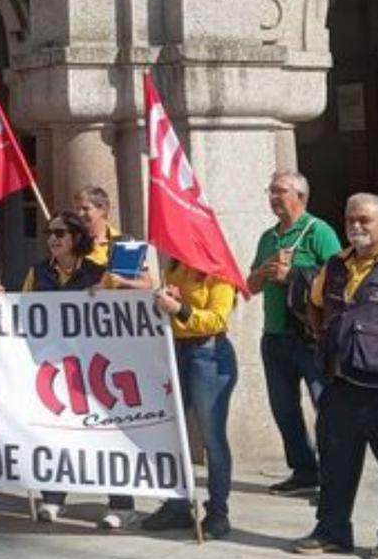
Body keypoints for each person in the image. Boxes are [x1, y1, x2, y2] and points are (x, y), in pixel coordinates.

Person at [22, 210, 136, 530]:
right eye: (49, 234)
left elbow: (135, 297)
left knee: (107, 432)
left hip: (94, 368)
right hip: (53, 367)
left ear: (76, 238)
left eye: (60, 233)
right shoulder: (37, 272)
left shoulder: (99, 273)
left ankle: (121, 503)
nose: (53, 239)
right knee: (54, 430)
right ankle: (53, 497)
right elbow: (22, 310)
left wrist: (111, 294)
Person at [291, 193, 378, 559]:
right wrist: (327, 340)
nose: (356, 227)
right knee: (335, 464)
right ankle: (331, 532)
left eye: (365, 220)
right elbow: (315, 305)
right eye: (350, 220)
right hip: (340, 384)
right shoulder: (336, 264)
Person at [248, 171, 341, 496]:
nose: (273, 197)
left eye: (279, 191)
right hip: (273, 337)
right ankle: (303, 472)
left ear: (300, 196)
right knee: (284, 409)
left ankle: (334, 477)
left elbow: (338, 283)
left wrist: (292, 276)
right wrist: (264, 269)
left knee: (325, 407)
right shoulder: (268, 238)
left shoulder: (319, 231)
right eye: (270, 190)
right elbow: (249, 287)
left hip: (309, 338)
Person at [142, 260, 238, 539]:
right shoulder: (174, 267)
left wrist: (180, 308)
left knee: (212, 438)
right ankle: (178, 504)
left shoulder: (219, 272)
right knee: (175, 432)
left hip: (209, 353)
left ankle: (218, 512)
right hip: (177, 350)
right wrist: (169, 299)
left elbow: (218, 318)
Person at [73, 185, 152, 290]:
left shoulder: (125, 243)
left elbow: (146, 284)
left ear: (103, 210)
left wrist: (122, 282)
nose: (80, 214)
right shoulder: (72, 242)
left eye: (85, 209)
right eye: (77, 209)